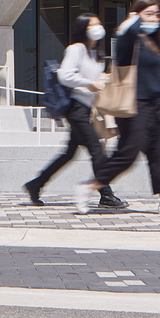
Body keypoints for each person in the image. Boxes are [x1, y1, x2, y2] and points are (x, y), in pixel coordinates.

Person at [85, 0, 160, 215]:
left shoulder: (153, 43)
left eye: (157, 14)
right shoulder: (129, 41)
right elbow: (124, 38)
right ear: (137, 15)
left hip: (155, 105)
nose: (154, 18)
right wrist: (132, 21)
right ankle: (89, 187)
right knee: (128, 153)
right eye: (148, 13)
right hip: (134, 106)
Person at [24, 15, 126, 210]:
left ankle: (36, 184)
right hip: (75, 107)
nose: (98, 27)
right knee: (96, 149)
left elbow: (93, 81)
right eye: (93, 24)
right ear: (83, 28)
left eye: (99, 23)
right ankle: (106, 194)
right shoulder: (76, 49)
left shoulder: (97, 54)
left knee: (69, 153)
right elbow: (64, 75)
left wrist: (104, 79)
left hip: (86, 109)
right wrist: (90, 83)